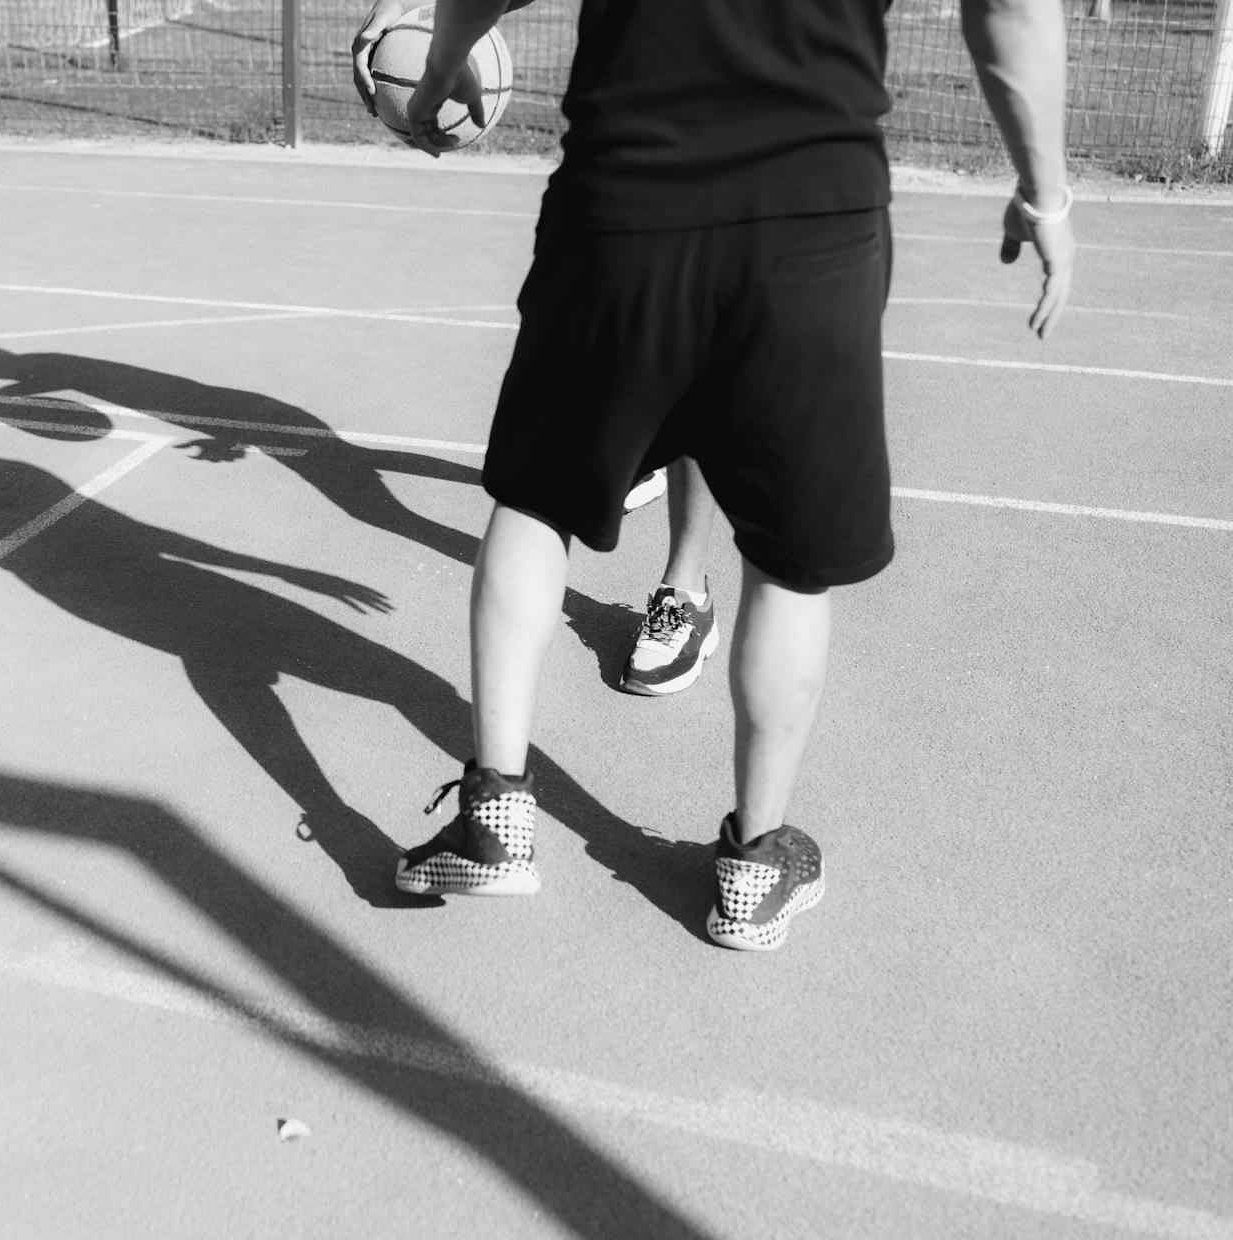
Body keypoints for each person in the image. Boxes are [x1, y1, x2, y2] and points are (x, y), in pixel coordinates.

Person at [353, 0, 1074, 949]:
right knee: (788, 564)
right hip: (811, 220)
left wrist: (441, 67)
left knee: (536, 501)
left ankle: (494, 818)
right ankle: (755, 869)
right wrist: (1045, 193)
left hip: (625, 199)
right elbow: (1012, 8)